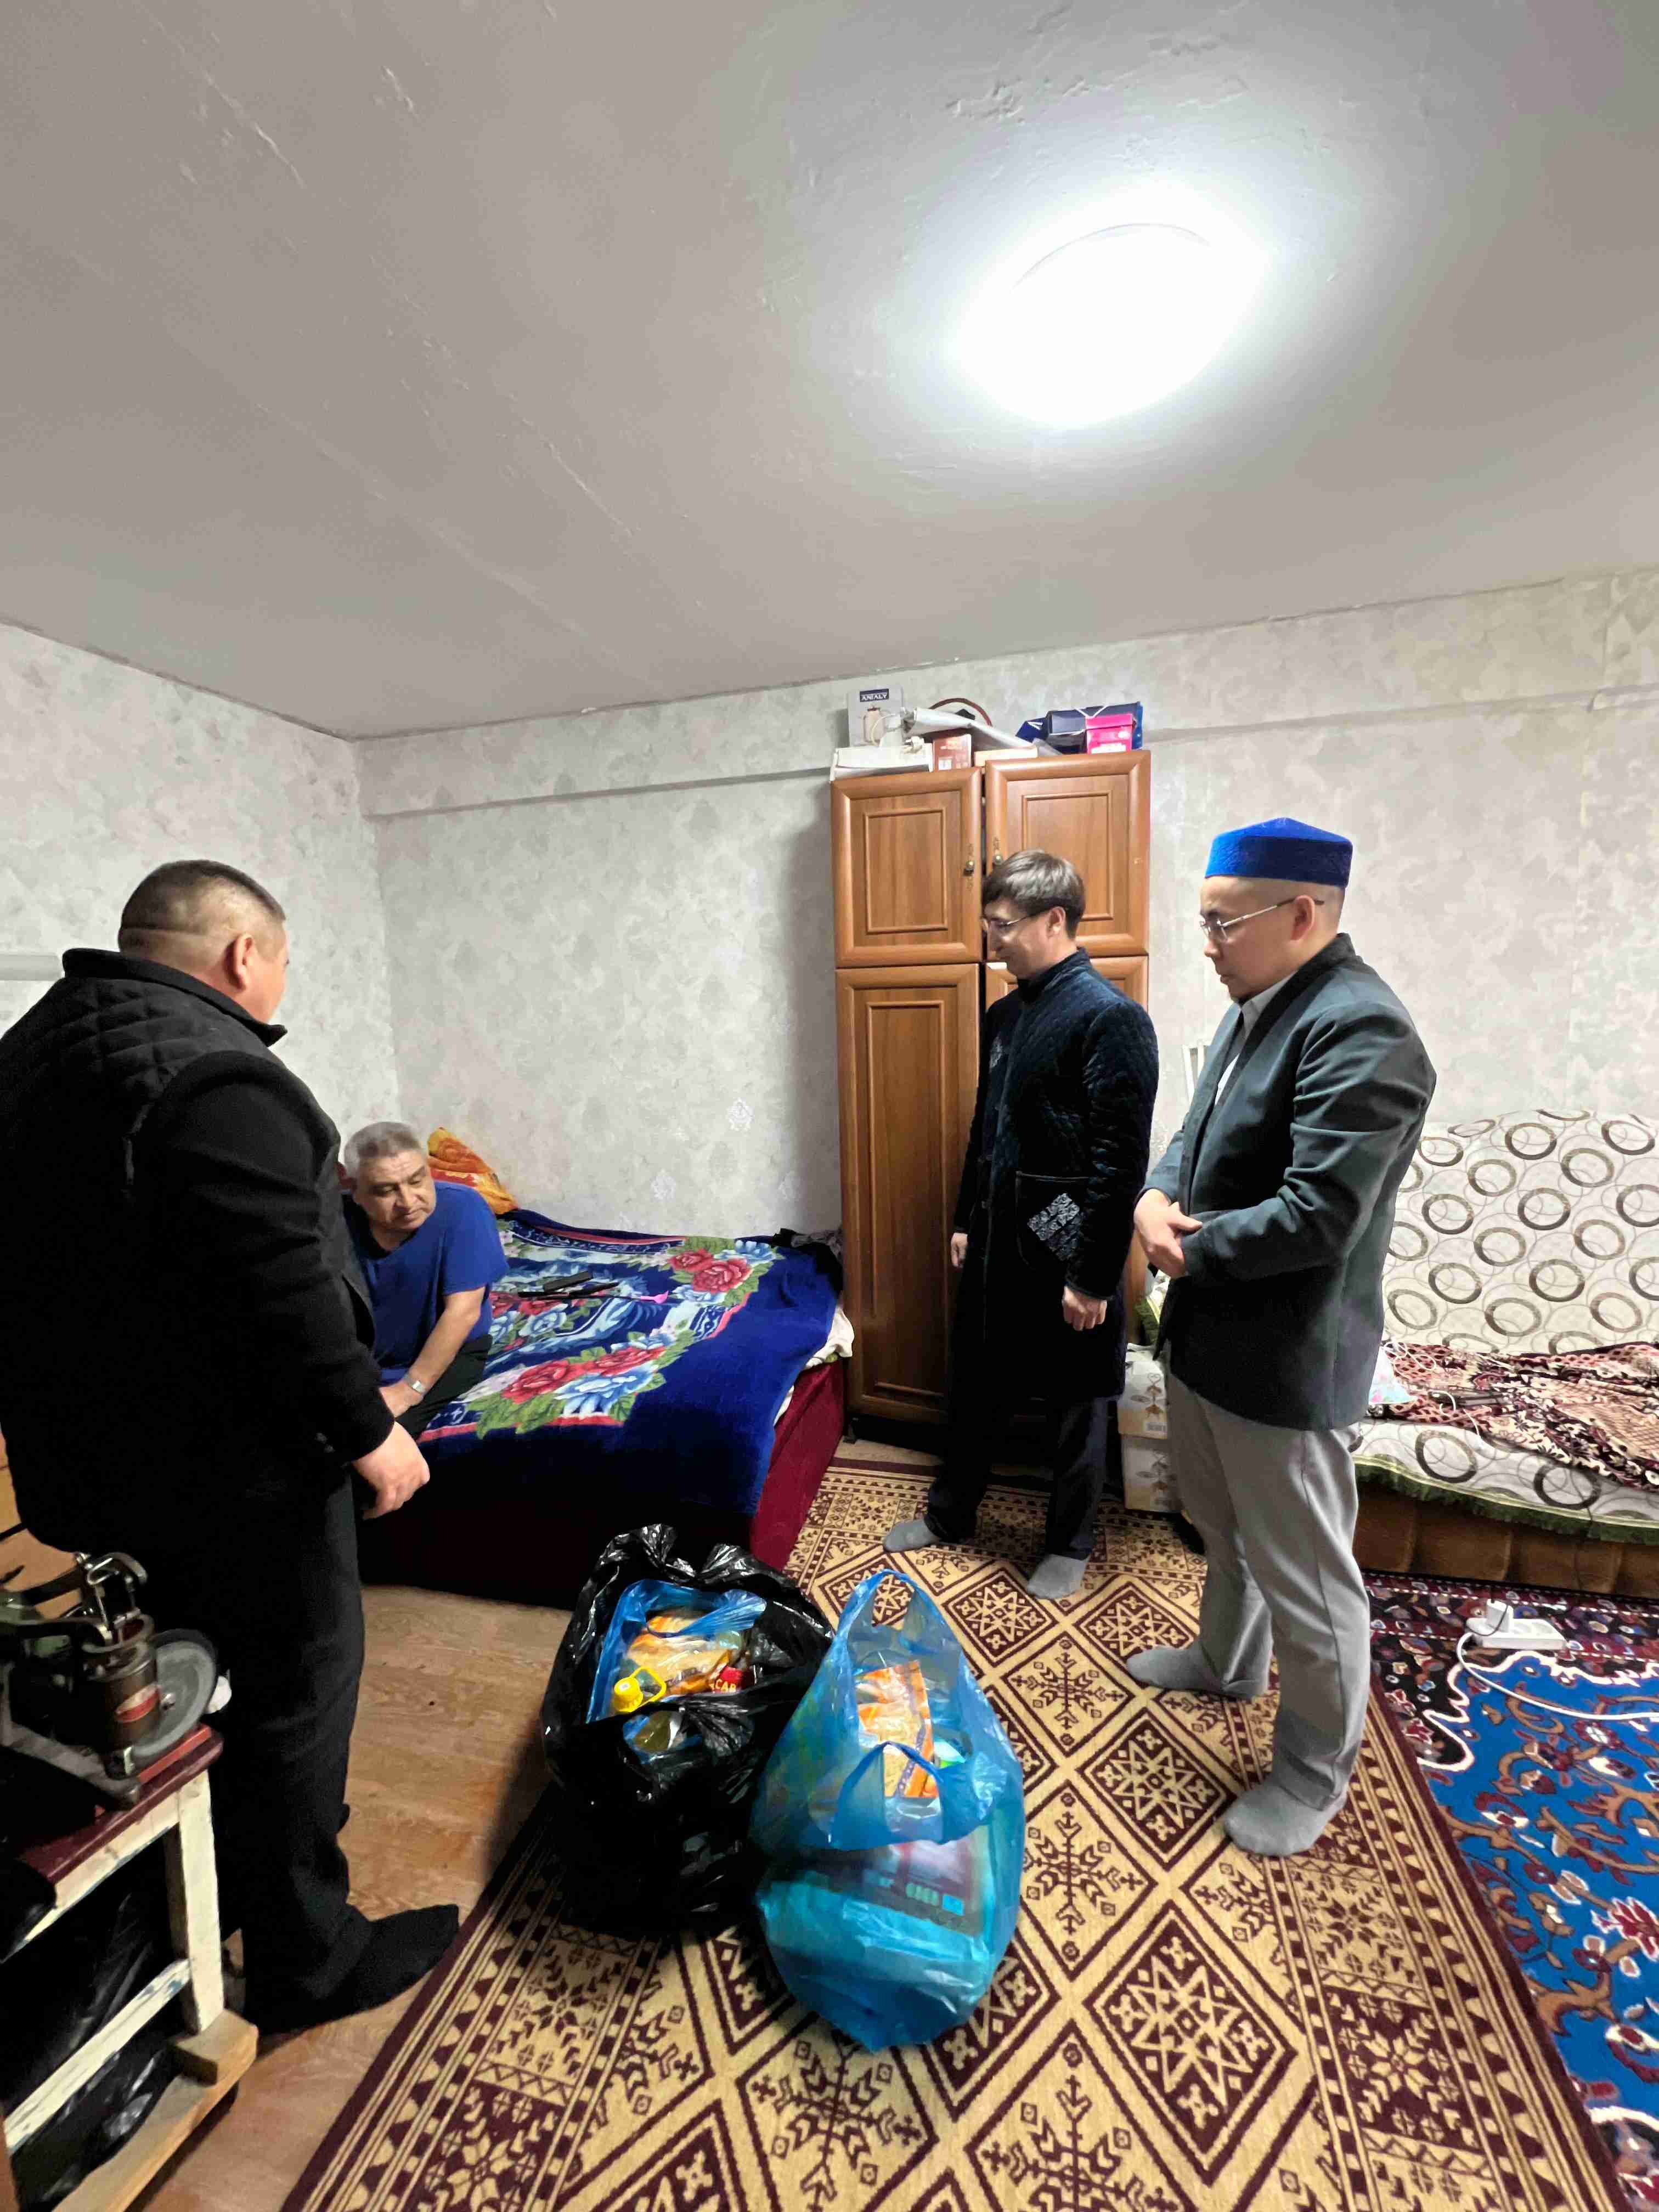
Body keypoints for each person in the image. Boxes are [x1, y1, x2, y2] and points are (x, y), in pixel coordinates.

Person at [0, 860, 459, 2030]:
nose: (279, 986)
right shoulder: (217, 1071)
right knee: (303, 1684)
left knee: (202, 1674)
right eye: (283, 963)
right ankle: (309, 1955)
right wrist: (371, 1429)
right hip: (239, 1464)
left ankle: (220, 1887)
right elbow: (279, 1283)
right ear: (245, 955)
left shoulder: (30, 1053)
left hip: (95, 1457)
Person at [1130, 817, 1436, 1857]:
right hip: (1209, 1339)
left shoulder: (1363, 1030)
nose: (1206, 943)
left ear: (1302, 914)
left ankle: (1311, 1775)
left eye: (1223, 922)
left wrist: (1179, 1250)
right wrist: (1153, 1196)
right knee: (1222, 1531)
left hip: (1285, 1359)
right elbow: (1191, 1135)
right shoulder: (1253, 1008)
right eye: (1203, 921)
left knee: (1308, 1584)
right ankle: (1225, 1664)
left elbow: (1319, 1216)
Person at [885, 851, 1159, 1599]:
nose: (991, 941)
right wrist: (965, 1217)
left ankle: (1070, 1541)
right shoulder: (1004, 1015)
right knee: (976, 1383)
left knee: (1077, 1402)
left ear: (1055, 920)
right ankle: (950, 1515)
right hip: (995, 1242)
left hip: (1070, 1249)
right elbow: (987, 1127)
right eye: (989, 925)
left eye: (1002, 926)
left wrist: (1092, 1276)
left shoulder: (1111, 1017)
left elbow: (1120, 1161)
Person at [341, 1121, 505, 1435]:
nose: (408, 1201)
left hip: (448, 1356)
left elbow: (462, 1313)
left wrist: (408, 1389)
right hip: (367, 1364)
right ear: (355, 1191)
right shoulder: (335, 1222)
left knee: (374, 1441)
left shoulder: (462, 1208)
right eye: (386, 1190)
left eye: (417, 1181)